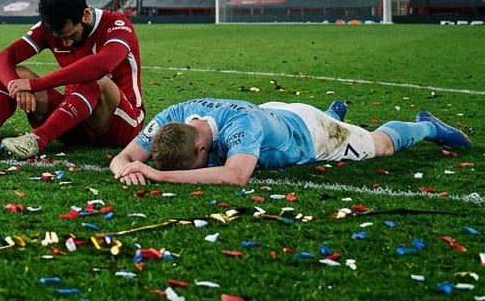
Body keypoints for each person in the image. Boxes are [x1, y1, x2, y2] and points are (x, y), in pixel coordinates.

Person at [0, 0, 145, 159]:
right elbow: (4, 57)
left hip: (120, 124)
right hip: (73, 119)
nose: (65, 43)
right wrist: (17, 87)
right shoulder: (50, 27)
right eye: (60, 37)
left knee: (98, 80)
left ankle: (37, 140)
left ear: (85, 15)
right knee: (17, 74)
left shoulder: (117, 25)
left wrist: (35, 85)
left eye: (70, 35)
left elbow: (100, 66)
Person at [109, 98, 472, 186]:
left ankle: (426, 126)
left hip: (310, 134)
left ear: (201, 148)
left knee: (380, 145)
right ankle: (334, 112)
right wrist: (126, 168)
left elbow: (236, 175)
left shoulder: (241, 128)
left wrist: (160, 176)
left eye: (196, 164)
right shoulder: (175, 114)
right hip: (273, 113)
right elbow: (124, 156)